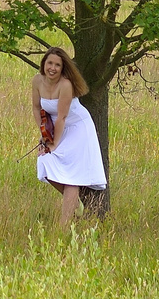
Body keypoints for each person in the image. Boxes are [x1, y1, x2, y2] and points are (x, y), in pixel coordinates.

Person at [32, 46, 107, 223]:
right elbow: (36, 108)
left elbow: (62, 117)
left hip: (77, 128)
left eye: (57, 65)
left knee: (71, 177)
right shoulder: (37, 81)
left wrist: (53, 144)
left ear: (62, 68)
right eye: (49, 63)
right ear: (44, 64)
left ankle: (63, 228)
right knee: (45, 161)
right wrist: (44, 134)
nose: (52, 68)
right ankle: (76, 204)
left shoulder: (66, 85)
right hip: (57, 127)